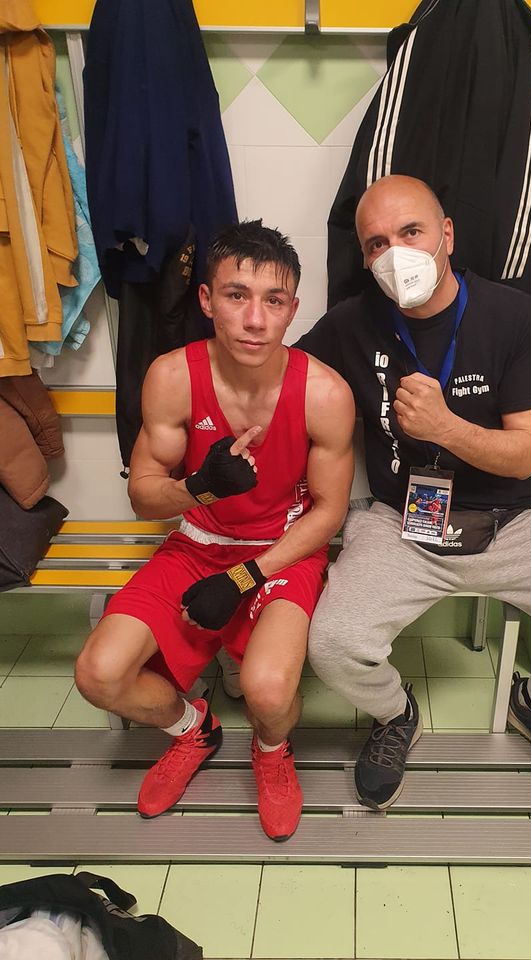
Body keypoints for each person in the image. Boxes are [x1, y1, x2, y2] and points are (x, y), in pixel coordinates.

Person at [297, 174, 531, 810]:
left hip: (518, 521)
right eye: (376, 244)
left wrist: (444, 426)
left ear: (446, 235)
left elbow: (526, 454)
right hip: (401, 522)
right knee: (334, 647)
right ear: (363, 257)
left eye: (411, 232)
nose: (395, 254)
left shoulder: (518, 317)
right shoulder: (349, 324)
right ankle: (395, 714)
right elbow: (285, 382)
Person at [74, 220, 355, 840]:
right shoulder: (172, 377)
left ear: (292, 311)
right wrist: (200, 487)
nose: (254, 320)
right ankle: (194, 729)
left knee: (268, 691)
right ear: (206, 300)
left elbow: (329, 511)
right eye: (236, 295)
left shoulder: (325, 393)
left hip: (281, 552)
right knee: (99, 674)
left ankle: (271, 751)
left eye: (273, 301)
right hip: (198, 544)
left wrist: (244, 576)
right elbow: (144, 495)